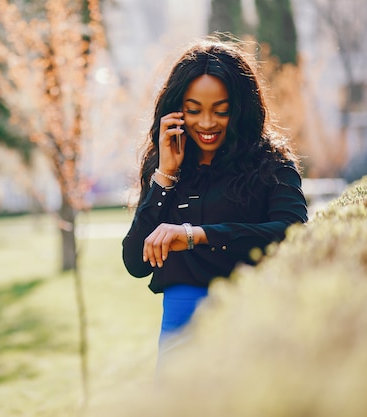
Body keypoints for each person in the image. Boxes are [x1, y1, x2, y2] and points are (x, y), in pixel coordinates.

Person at [121, 38, 308, 356]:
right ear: (177, 111)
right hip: (180, 329)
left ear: (240, 109)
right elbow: (136, 262)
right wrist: (165, 175)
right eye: (194, 111)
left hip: (252, 315)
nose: (206, 123)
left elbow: (292, 232)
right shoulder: (164, 164)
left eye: (220, 112)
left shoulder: (271, 163)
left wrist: (197, 236)